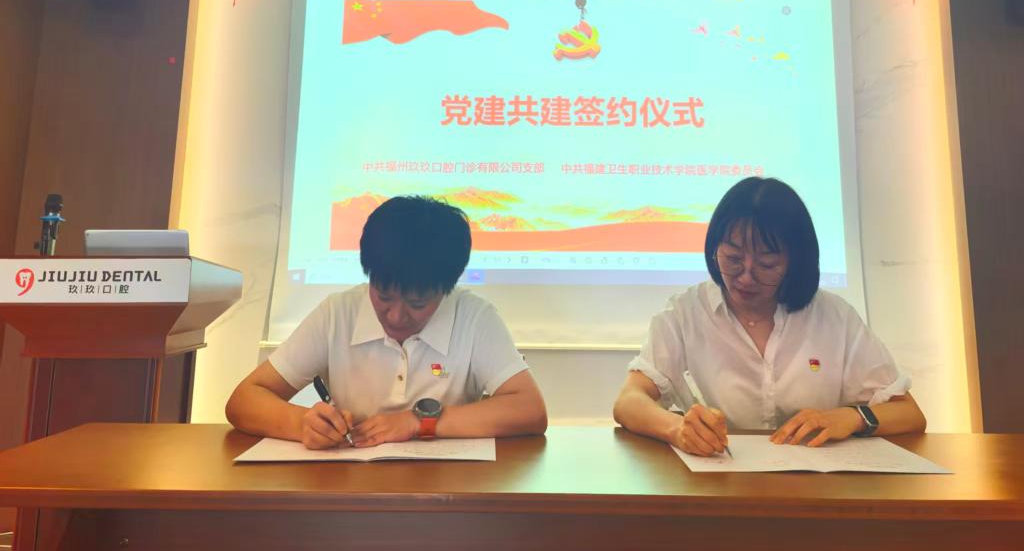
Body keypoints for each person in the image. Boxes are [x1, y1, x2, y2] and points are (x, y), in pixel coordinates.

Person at [613, 177, 925, 456]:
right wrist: (677, 428)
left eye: (767, 265)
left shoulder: (834, 317)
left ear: (795, 262)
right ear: (714, 249)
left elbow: (909, 414)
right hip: (718, 484)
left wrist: (851, 418)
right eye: (733, 259)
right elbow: (629, 401)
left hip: (817, 489)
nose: (745, 277)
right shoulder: (686, 313)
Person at [227, 195, 547, 449]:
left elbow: (530, 410)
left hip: (448, 493)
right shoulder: (338, 313)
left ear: (446, 288)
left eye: (417, 304)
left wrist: (420, 422)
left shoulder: (475, 317)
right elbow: (244, 400)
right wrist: (303, 424)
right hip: (349, 490)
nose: (395, 316)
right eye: (383, 296)